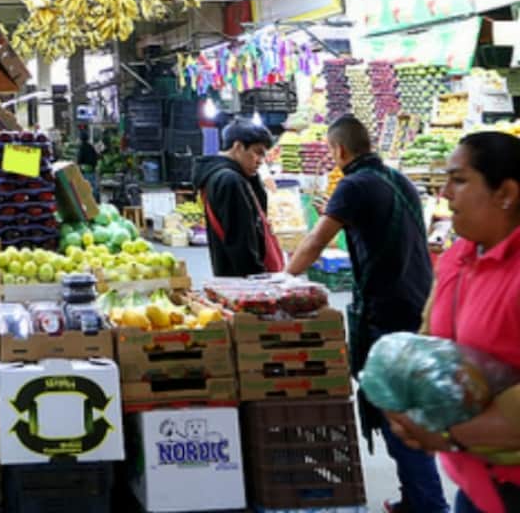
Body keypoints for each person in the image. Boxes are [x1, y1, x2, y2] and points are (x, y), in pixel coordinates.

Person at [286, 115, 446, 513]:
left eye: (330, 151)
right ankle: (416, 498)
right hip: (419, 306)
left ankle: (430, 504)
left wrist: (277, 283)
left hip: (387, 313)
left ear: (340, 150)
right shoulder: (398, 178)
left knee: (396, 413)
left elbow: (313, 243)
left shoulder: (353, 185)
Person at [388, 132, 520, 513]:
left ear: (505, 193)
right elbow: (429, 340)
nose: (445, 193)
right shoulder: (456, 259)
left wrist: (446, 430)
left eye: (459, 180)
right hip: (477, 487)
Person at [192, 118, 282, 276]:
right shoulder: (230, 180)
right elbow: (241, 239)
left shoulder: (218, 175)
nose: (261, 161)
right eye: (257, 152)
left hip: (228, 273)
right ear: (238, 147)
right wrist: (258, 277)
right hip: (243, 279)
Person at [76, 130, 100, 199]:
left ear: (80, 139)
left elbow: (79, 159)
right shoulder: (91, 147)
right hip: (92, 170)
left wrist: (77, 165)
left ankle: (88, 200)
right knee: (93, 186)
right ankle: (95, 200)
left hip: (85, 170)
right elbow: (96, 157)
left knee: (86, 186)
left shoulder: (81, 147)